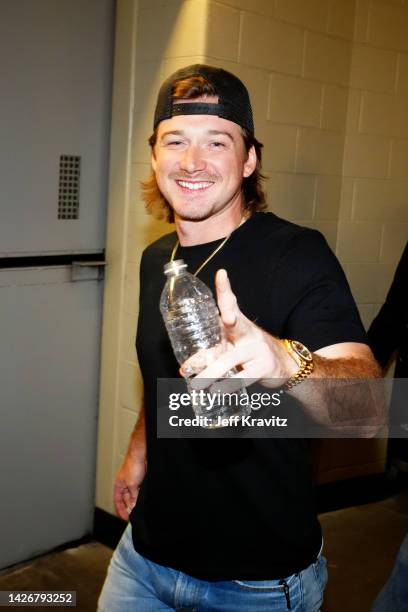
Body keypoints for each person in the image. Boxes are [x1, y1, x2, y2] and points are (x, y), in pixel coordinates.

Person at [98, 64, 381, 611]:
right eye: (174, 140)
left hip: (254, 583)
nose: (192, 161)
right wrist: (139, 454)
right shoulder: (159, 257)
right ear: (155, 156)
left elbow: (367, 408)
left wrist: (282, 364)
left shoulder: (297, 255)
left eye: (217, 142)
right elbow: (164, 373)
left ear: (249, 159)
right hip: (143, 559)